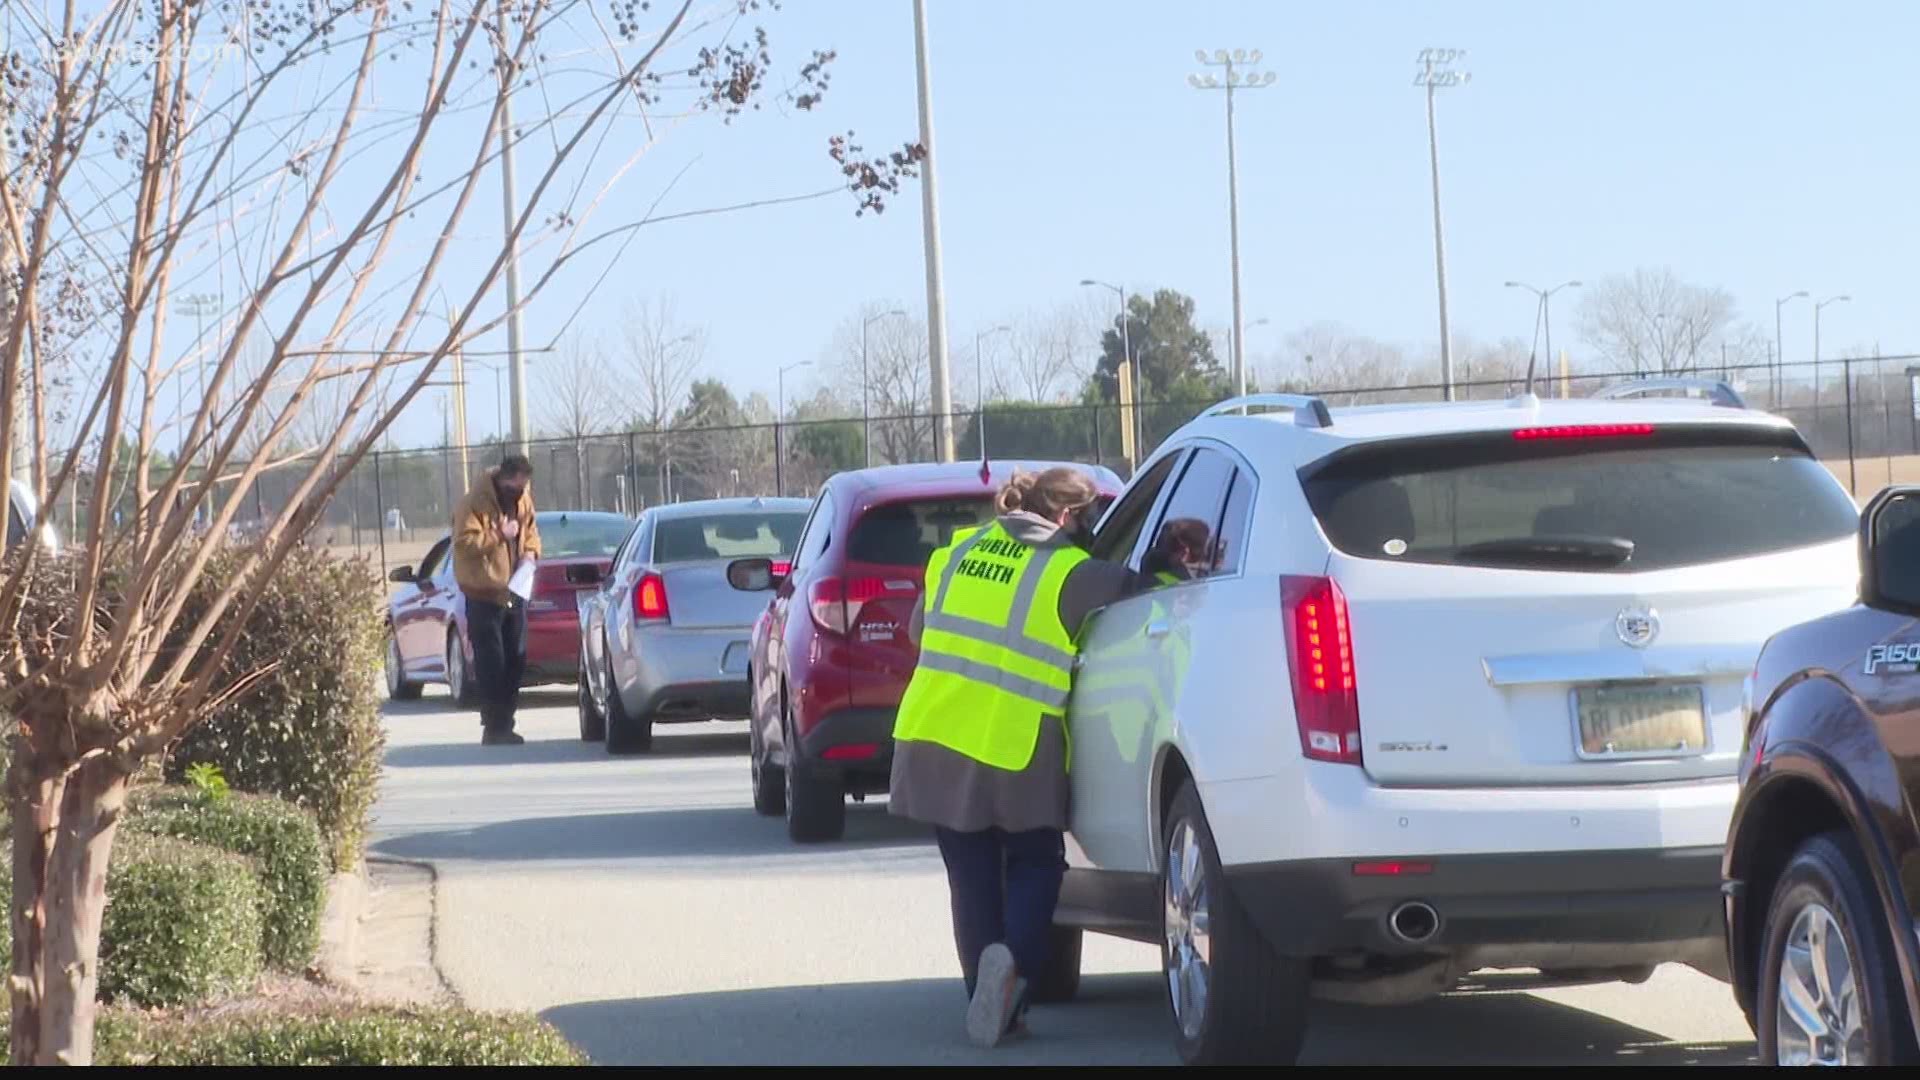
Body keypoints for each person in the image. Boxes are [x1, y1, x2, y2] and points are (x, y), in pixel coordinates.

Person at [890, 466, 1146, 1048]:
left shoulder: (957, 552)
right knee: (1035, 862)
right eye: (1087, 521)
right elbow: (1136, 592)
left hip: (936, 734)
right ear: (1065, 517)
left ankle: (985, 989)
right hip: (1014, 744)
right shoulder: (1068, 571)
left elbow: (916, 631)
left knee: (971, 872)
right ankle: (1014, 968)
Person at [452, 454, 542, 746]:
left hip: (515, 591)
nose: (518, 493)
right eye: (514, 488)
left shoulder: (524, 500)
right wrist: (497, 534)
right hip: (483, 594)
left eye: (522, 487)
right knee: (492, 662)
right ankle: (494, 726)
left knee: (516, 659)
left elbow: (532, 534)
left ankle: (507, 721)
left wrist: (530, 552)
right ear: (502, 480)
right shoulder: (473, 502)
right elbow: (464, 545)